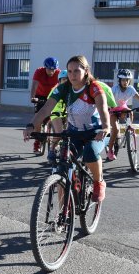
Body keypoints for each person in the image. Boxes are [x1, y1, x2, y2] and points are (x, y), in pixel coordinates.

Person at [24, 55, 110, 202]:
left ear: (86, 71)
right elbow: (46, 109)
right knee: (62, 167)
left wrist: (106, 127)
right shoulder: (63, 88)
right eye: (69, 71)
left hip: (95, 132)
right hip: (74, 133)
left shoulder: (94, 87)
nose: (72, 75)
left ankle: (99, 182)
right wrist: (31, 125)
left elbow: (103, 109)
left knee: (90, 152)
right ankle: (62, 216)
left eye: (76, 71)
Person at [106, 69, 139, 161]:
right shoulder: (114, 89)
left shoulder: (131, 89)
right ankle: (110, 150)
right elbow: (107, 99)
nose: (125, 82)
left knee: (130, 111)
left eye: (127, 80)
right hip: (113, 109)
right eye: (123, 80)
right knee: (116, 129)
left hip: (122, 108)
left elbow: (138, 96)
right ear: (119, 81)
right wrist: (107, 108)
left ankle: (129, 126)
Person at [30, 57, 61, 153]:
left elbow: (62, 86)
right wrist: (33, 97)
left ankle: (55, 144)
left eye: (53, 69)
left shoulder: (59, 73)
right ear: (45, 67)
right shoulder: (39, 71)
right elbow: (34, 85)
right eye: (49, 69)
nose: (51, 72)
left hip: (52, 96)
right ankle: (37, 143)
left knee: (55, 117)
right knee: (38, 119)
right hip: (39, 96)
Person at [45, 69, 70, 163]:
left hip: (68, 113)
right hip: (56, 112)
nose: (66, 81)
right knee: (60, 133)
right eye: (63, 79)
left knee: (71, 132)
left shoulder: (72, 90)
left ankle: (66, 150)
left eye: (67, 79)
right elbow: (49, 101)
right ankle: (51, 150)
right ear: (59, 80)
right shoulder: (56, 89)